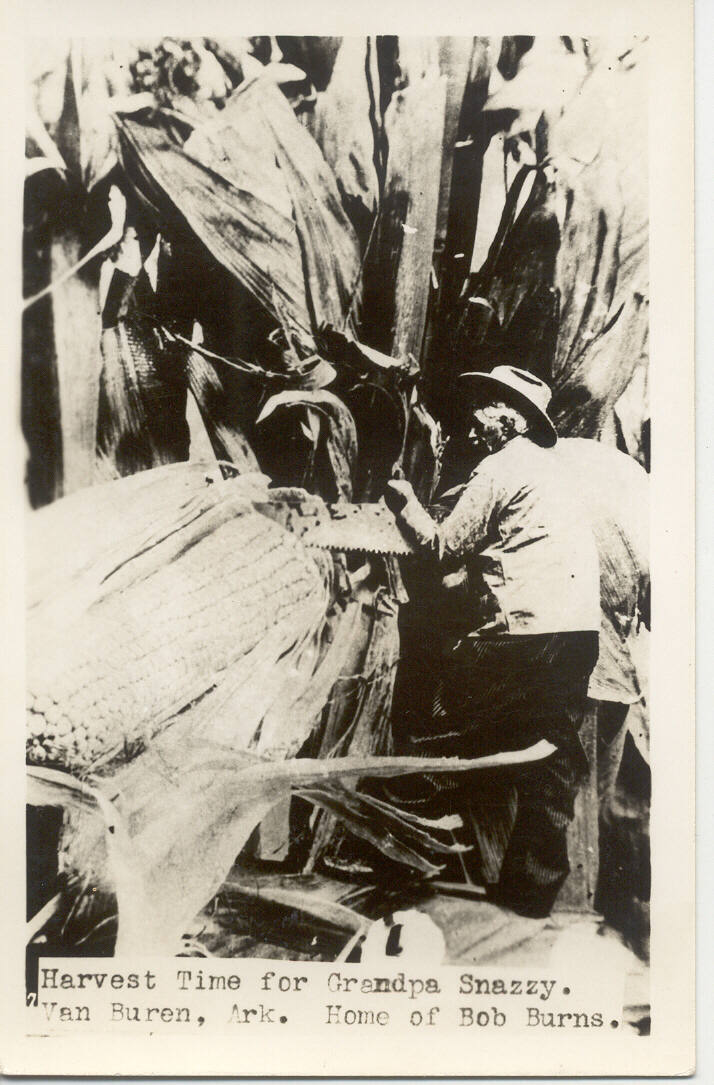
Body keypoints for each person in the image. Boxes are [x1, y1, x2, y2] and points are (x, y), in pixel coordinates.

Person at [384, 365, 601, 918]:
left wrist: (404, 502)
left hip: (524, 636)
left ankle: (401, 866)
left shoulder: (501, 466)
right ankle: (530, 892)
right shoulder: (554, 472)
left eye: (483, 408)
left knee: (429, 725)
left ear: (510, 417)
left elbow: (441, 552)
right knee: (549, 761)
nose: (473, 420)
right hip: (576, 635)